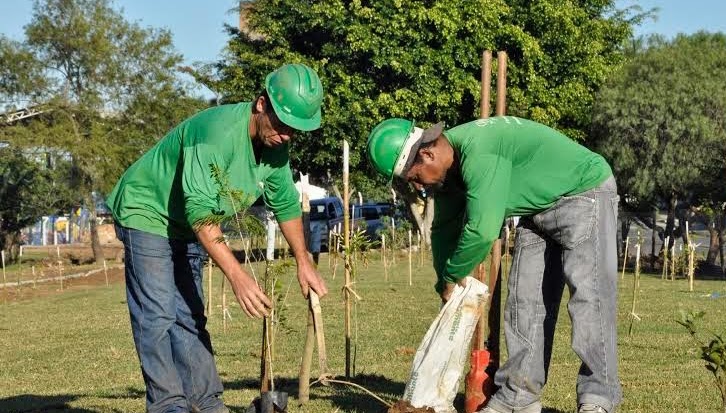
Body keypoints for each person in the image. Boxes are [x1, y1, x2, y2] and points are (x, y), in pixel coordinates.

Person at [106, 63, 328, 413]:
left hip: (185, 225)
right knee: (160, 314)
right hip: (146, 212)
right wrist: (238, 277)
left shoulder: (275, 145)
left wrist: (304, 261)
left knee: (190, 315)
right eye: (283, 124)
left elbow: (285, 202)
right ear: (260, 104)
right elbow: (202, 214)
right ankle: (168, 406)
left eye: (296, 130)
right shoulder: (216, 135)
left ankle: (208, 404)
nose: (287, 135)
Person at [366, 116, 621, 413]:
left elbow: (483, 230)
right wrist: (444, 284)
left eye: (413, 176)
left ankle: (598, 399)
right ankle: (518, 396)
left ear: (427, 154)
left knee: (590, 299)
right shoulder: (449, 174)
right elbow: (444, 228)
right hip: (538, 208)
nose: (416, 185)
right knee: (524, 302)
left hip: (584, 190)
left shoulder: (479, 151)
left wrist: (454, 273)